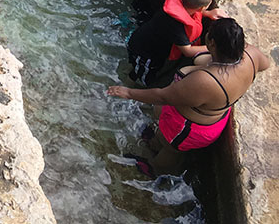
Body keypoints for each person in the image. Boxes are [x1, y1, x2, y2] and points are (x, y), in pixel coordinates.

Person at [108, 18, 270, 175]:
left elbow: (163, 97)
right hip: (210, 116)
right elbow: (266, 64)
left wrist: (129, 93)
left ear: (212, 43)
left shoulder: (206, 81)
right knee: (163, 139)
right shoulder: (251, 55)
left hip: (188, 129)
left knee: (171, 149)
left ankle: (155, 168)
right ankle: (157, 142)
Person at [127, 0, 216, 87]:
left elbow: (192, 12)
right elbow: (188, 51)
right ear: (202, 8)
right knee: (144, 78)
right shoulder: (176, 26)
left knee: (136, 66)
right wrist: (211, 48)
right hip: (145, 52)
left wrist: (208, 14)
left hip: (142, 40)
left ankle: (130, 71)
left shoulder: (177, 5)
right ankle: (128, 85)